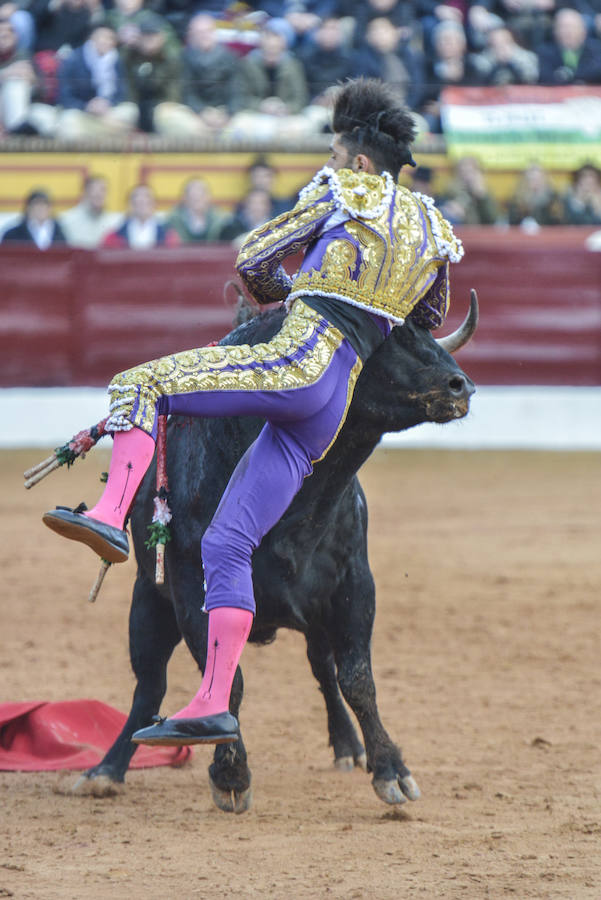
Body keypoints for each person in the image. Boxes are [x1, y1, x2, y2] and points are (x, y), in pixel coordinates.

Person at [42, 78, 464, 747]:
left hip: (296, 361)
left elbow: (254, 258)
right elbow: (426, 320)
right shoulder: (433, 230)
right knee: (225, 544)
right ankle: (212, 701)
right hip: (334, 402)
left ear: (357, 159)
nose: (328, 162)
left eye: (332, 150)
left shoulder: (341, 190)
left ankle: (107, 520)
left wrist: (296, 291)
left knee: (138, 384)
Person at [53, 24, 138, 140]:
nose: (106, 42)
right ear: (91, 39)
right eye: (102, 37)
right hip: (81, 112)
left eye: (111, 38)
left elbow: (121, 93)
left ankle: (95, 133)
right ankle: (112, 132)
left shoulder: (116, 60)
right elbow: (64, 96)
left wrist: (107, 103)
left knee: (130, 110)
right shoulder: (73, 59)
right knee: (69, 120)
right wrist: (87, 106)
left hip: (107, 111)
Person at [102, 183, 180, 248]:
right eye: (136, 197)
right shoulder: (115, 235)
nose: (142, 200)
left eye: (147, 197)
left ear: (154, 204)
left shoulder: (167, 234)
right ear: (130, 204)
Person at [59, 174, 122, 248]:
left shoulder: (117, 222)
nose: (99, 194)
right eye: (93, 189)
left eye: (103, 189)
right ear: (84, 192)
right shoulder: (65, 220)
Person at [165, 177, 225, 243]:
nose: (197, 195)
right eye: (193, 195)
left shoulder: (220, 220)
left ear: (209, 197)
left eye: (201, 194)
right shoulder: (173, 220)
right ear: (184, 197)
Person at [1, 188, 66, 248]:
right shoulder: (12, 235)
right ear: (28, 208)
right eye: (36, 204)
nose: (41, 208)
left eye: (44, 204)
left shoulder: (59, 233)